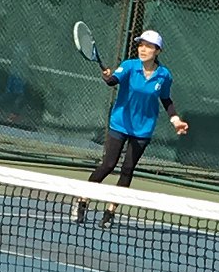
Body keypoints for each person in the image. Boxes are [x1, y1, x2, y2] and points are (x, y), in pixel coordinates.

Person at [72, 29, 188, 228]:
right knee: (108, 165)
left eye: (148, 46)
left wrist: (175, 119)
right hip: (120, 124)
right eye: (141, 45)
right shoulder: (128, 66)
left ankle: (110, 211)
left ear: (157, 51)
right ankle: (83, 200)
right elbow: (112, 81)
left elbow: (166, 99)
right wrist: (107, 76)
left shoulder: (164, 75)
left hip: (143, 129)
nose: (143, 49)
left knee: (127, 169)